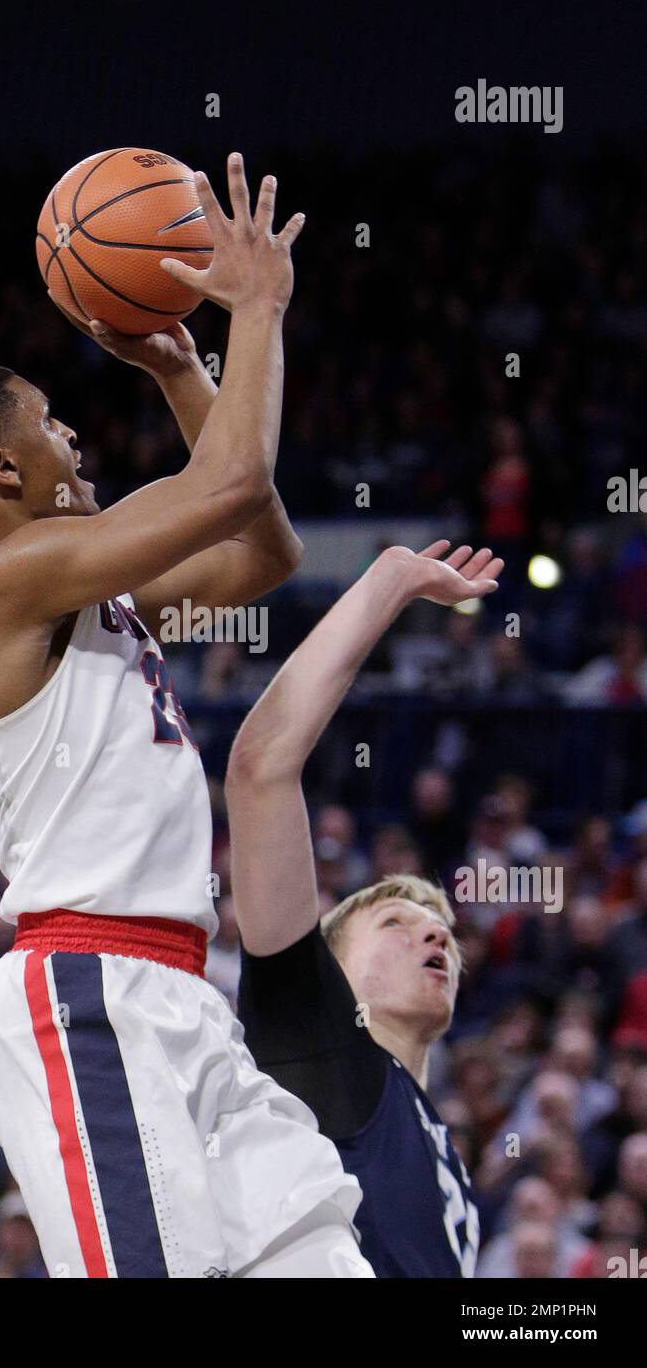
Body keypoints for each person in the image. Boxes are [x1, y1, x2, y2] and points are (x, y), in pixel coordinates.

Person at [0, 154, 370, 1279]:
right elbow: (229, 486)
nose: (76, 442)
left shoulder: (79, 585)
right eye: (54, 427)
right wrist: (254, 307)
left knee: (319, 1258)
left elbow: (262, 553)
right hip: (86, 992)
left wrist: (180, 369)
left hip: (182, 993)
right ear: (4, 467)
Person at [227, 539, 503, 1276]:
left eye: (442, 929)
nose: (434, 937)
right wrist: (390, 581)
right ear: (332, 973)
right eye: (397, 924)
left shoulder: (442, 1139)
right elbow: (261, 769)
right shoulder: (325, 1053)